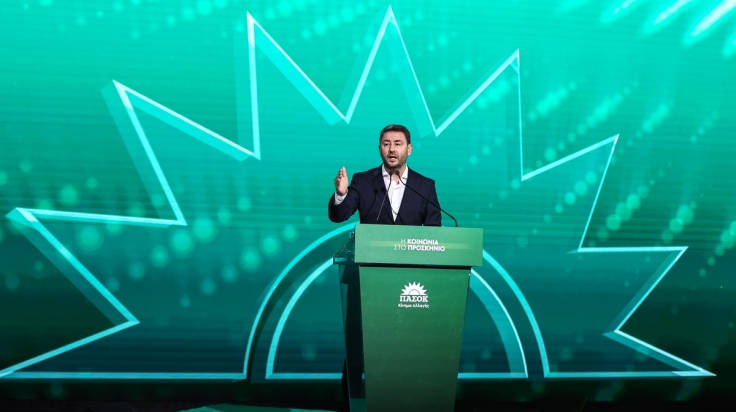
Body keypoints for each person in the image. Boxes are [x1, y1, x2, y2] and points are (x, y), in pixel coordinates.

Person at [328, 124, 441, 226]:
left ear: (409, 149)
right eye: (386, 144)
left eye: (398, 144)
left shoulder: (425, 186)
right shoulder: (362, 181)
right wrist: (341, 194)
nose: (391, 149)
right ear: (379, 149)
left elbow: (434, 229)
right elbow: (338, 217)